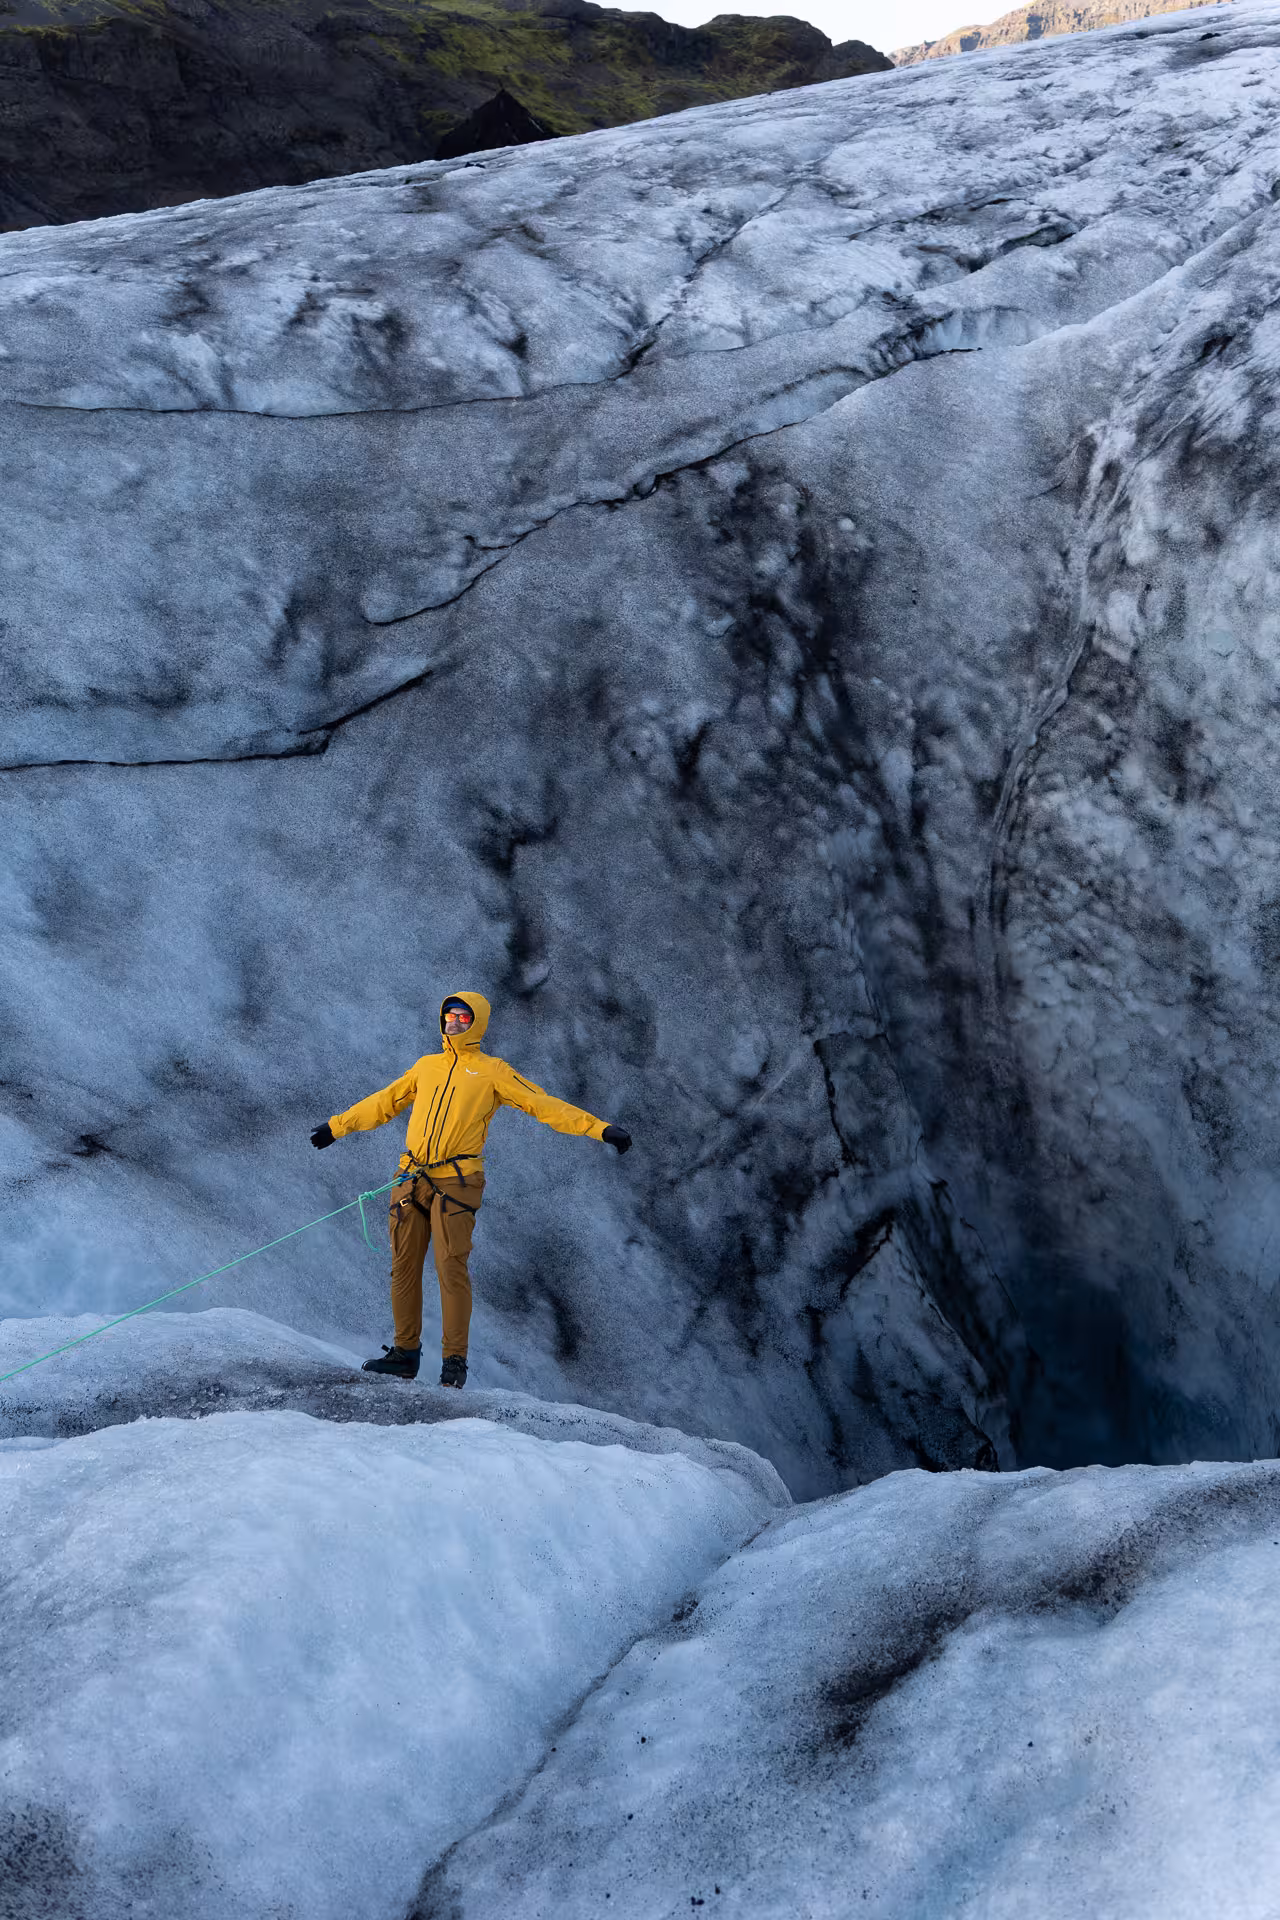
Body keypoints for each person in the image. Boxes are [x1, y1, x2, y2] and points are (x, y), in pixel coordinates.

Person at [310, 991, 631, 1388]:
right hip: (410, 1177)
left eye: (464, 1017)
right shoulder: (426, 1067)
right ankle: (404, 1354)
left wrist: (600, 1129)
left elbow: (542, 1104)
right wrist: (336, 1126)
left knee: (450, 1268)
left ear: (477, 1022)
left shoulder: (493, 1071)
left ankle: (454, 1361)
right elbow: (385, 1102)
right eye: (449, 1015)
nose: (454, 1022)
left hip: (457, 1182)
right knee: (403, 1268)